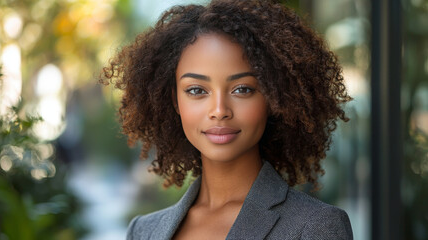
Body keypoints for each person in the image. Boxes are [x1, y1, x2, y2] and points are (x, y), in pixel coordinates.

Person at [100, 0, 353, 239]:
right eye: (197, 90)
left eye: (242, 89)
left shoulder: (316, 227)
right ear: (175, 101)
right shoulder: (144, 232)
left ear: (274, 98)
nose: (219, 110)